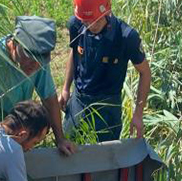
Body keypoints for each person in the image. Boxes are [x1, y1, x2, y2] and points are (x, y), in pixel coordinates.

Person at [0, 16, 76, 156]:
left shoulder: (38, 62)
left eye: (40, 61)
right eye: (29, 57)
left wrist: (60, 139)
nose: (34, 65)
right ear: (15, 43)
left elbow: (49, 99)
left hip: (18, 136)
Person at [59, 0, 152, 142]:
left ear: (107, 11)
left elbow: (145, 72)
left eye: (95, 21)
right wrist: (65, 89)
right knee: (67, 146)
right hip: (79, 98)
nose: (91, 26)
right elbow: (75, 53)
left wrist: (138, 114)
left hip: (108, 105)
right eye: (86, 22)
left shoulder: (126, 36)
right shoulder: (76, 24)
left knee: (105, 157)